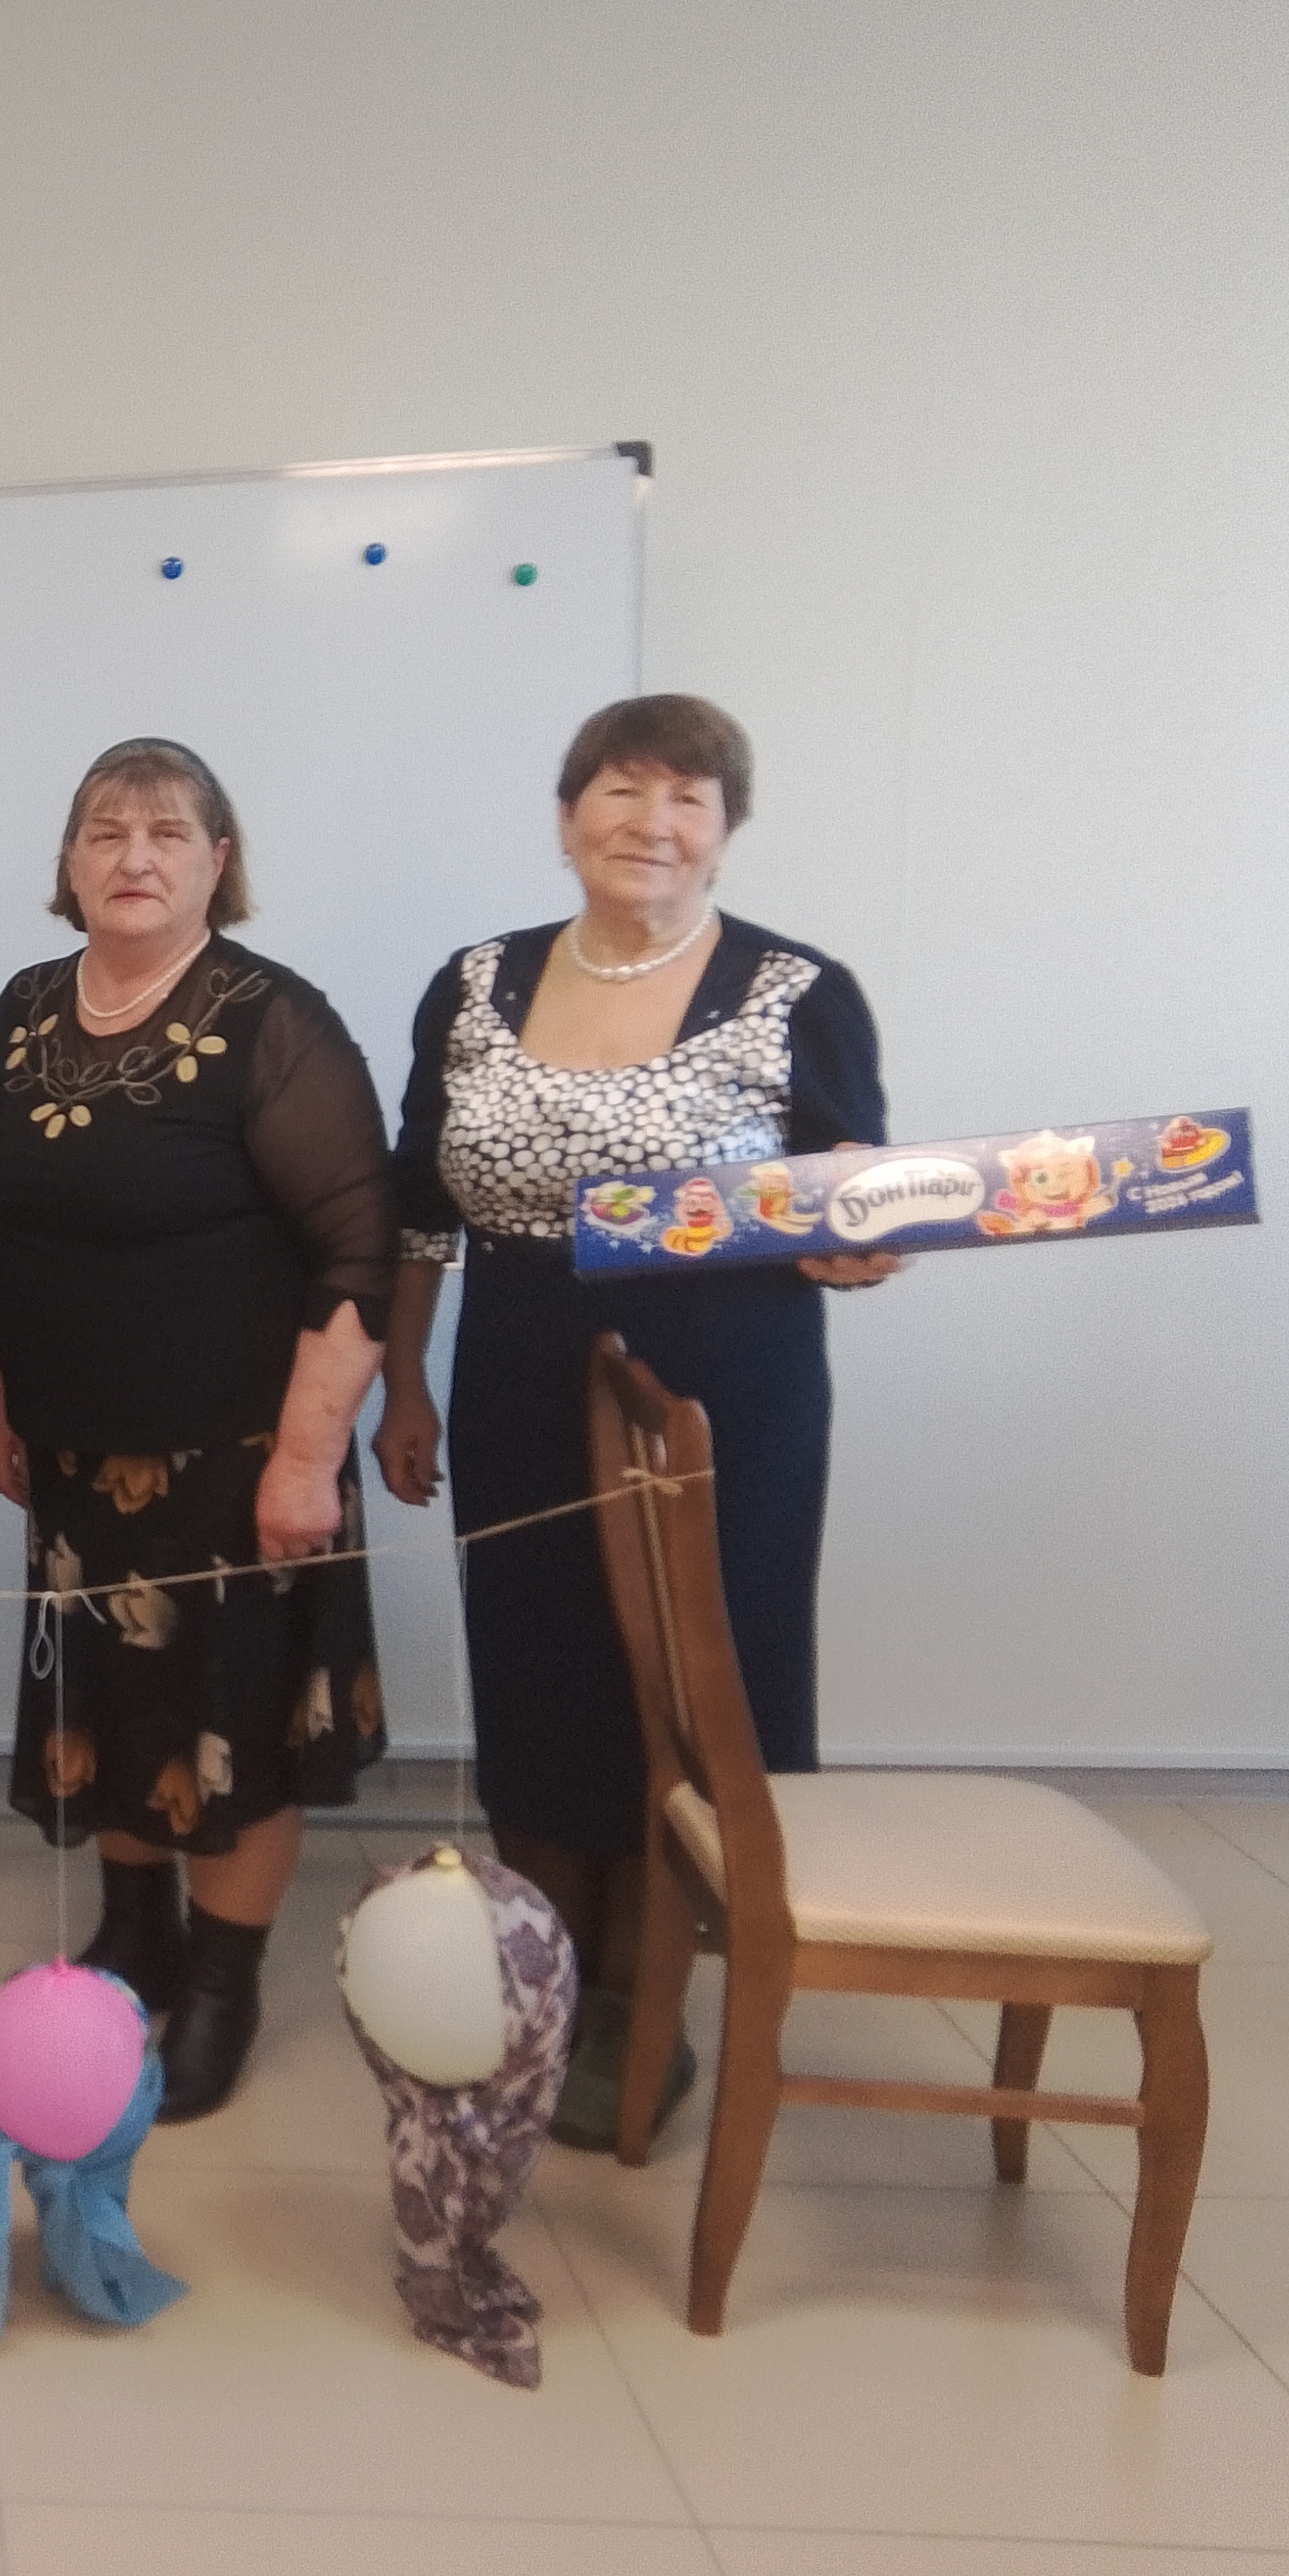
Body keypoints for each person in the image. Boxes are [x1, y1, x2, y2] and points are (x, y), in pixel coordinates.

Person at [373, 694, 896, 2149]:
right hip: (518, 1372)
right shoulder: (475, 981)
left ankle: (647, 2001)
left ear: (725, 834)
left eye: (687, 799)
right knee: (542, 1667)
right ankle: (548, 1981)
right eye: (621, 789)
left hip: (724, 1393)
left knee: (685, 1681)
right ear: (567, 816)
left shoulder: (800, 989)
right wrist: (405, 1381)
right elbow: (419, 1209)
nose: (650, 822)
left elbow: (848, 1196)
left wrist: (859, 1245)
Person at [0, 737, 393, 2121]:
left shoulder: (275, 1020)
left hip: (240, 1462)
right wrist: (9, 1405)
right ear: (70, 862)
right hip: (79, 1457)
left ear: (218, 861)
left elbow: (359, 1252)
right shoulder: (30, 1004)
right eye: (105, 831)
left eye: (167, 833)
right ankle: (135, 1936)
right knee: (115, 1707)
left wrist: (308, 1462)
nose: (133, 856)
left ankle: (221, 1982)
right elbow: (11, 1224)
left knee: (231, 1726)